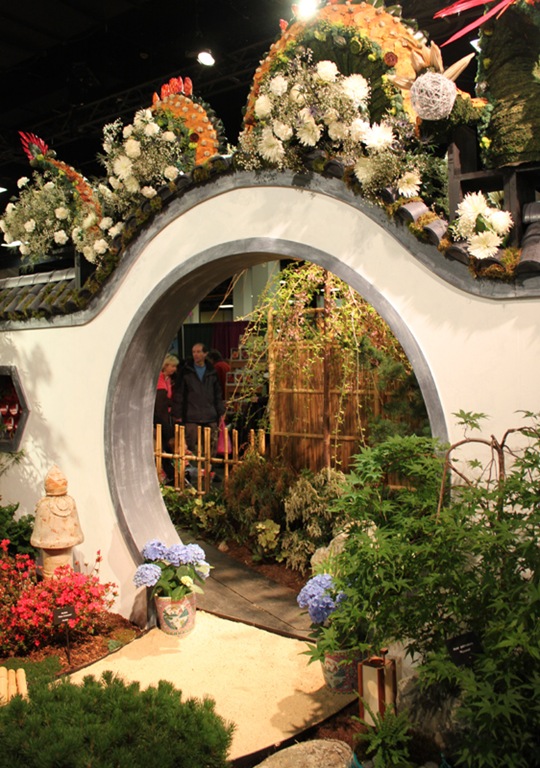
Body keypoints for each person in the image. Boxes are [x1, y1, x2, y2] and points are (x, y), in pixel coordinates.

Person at [172, 343, 225, 455]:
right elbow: (179, 394)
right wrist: (177, 414)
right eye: (193, 352)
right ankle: (193, 466)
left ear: (205, 354)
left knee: (210, 448)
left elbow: (217, 394)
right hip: (191, 416)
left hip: (210, 415)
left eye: (198, 352)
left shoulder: (212, 371)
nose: (195, 354)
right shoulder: (186, 371)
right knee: (191, 448)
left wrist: (221, 411)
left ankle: (209, 465)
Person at [154, 353, 179, 483]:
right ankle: (168, 475)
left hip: (165, 417)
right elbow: (160, 404)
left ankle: (170, 474)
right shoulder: (159, 379)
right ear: (166, 365)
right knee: (162, 448)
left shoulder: (167, 379)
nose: (174, 369)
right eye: (173, 366)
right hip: (160, 419)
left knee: (165, 448)